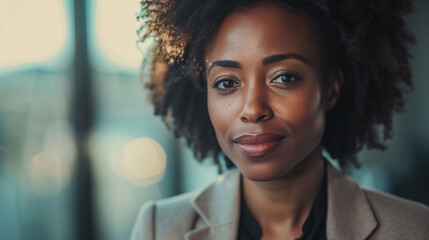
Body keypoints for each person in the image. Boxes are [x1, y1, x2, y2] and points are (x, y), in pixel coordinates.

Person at [131, 0, 429, 239]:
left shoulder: (415, 229)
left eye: (284, 78)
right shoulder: (160, 228)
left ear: (331, 89)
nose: (252, 109)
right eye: (226, 83)